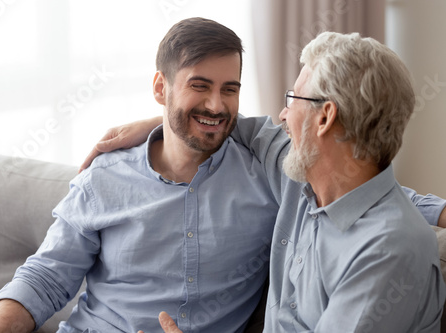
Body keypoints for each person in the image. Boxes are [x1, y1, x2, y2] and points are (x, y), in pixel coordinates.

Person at [0, 18, 446, 333]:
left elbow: (365, 188)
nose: (218, 105)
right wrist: (165, 123)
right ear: (161, 88)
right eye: (199, 86)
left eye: (230, 89)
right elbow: (44, 276)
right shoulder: (106, 174)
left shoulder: (277, 175)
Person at [132, 32, 446, 332]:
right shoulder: (304, 183)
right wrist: (166, 121)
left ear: (324, 118)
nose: (283, 115)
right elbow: (241, 127)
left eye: (293, 98)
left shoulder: (387, 252)